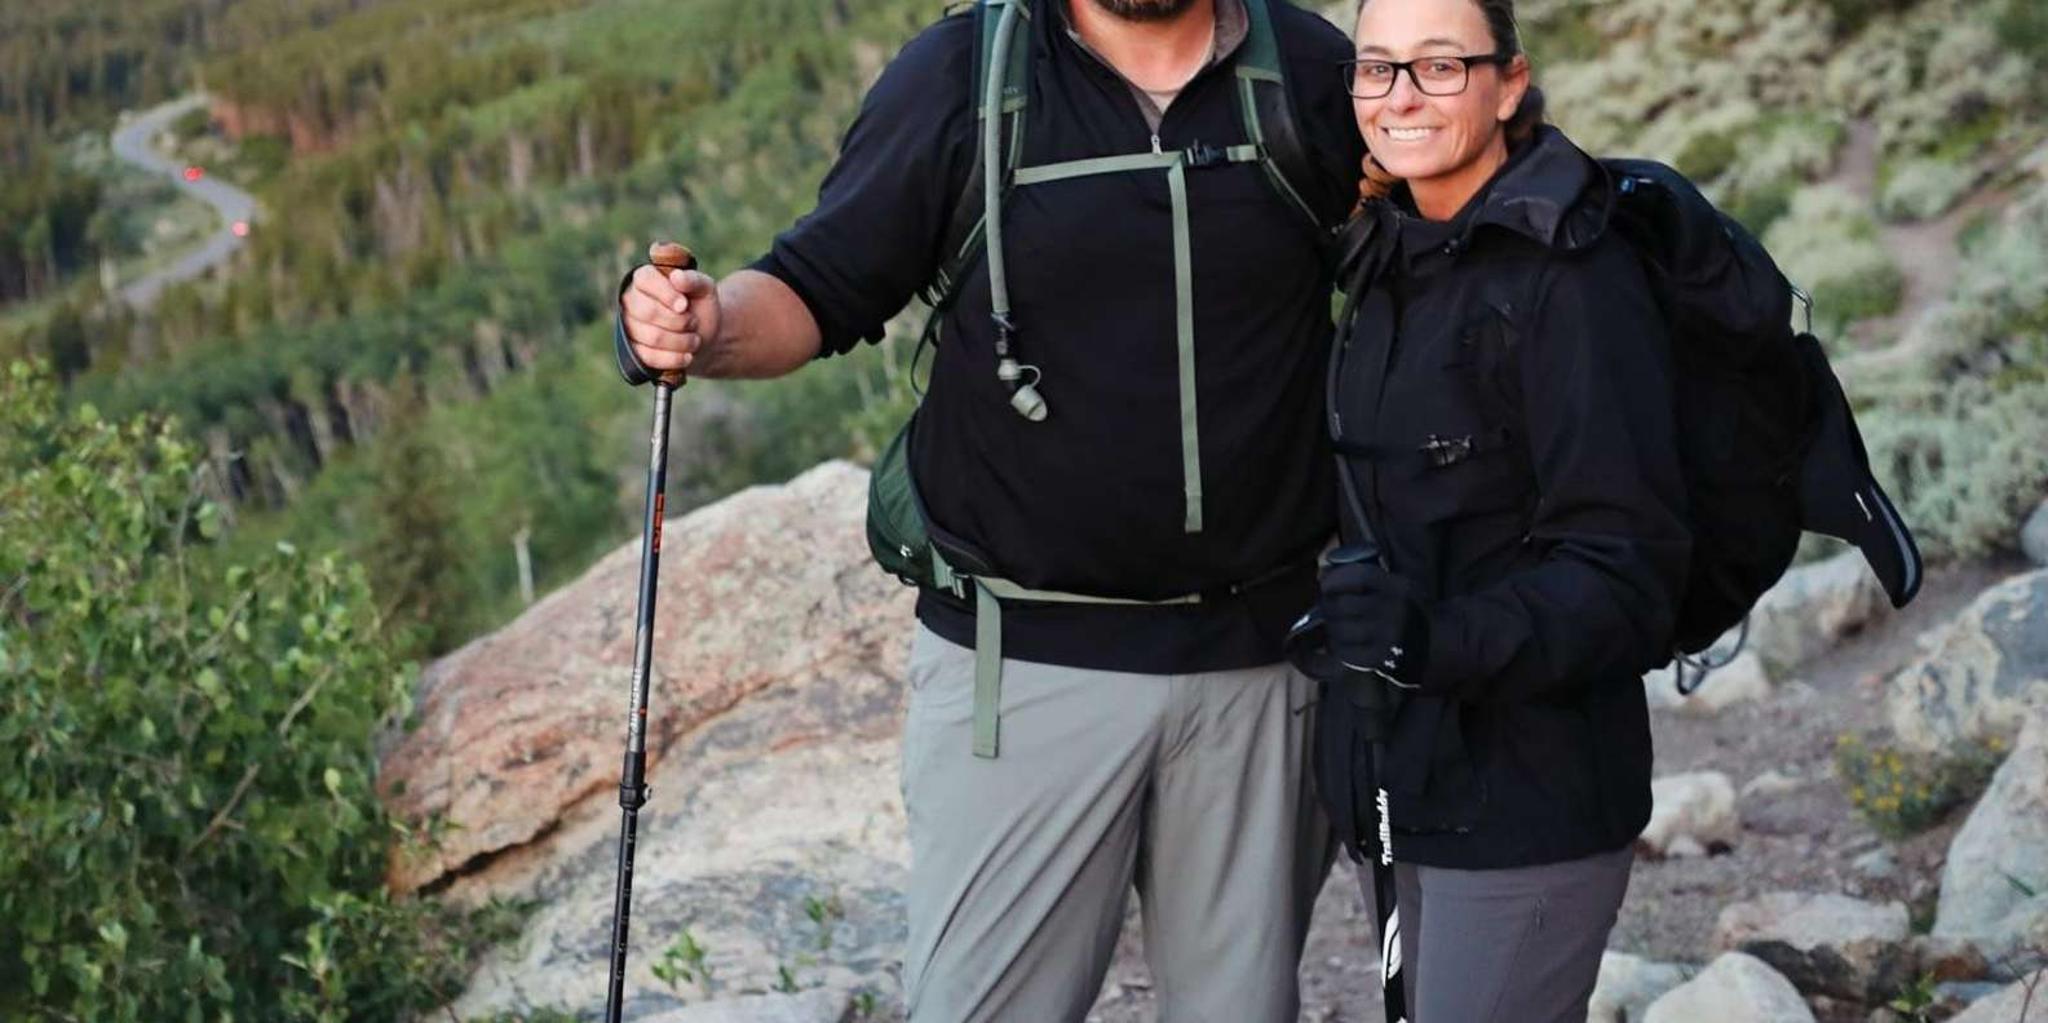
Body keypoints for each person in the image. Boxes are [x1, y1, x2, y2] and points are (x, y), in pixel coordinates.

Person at [616, 1, 1363, 1019]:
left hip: (1262, 666)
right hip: (1017, 676)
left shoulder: (1311, 71)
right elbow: (820, 284)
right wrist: (702, 328)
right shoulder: (963, 77)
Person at [1313, 0, 1694, 1019]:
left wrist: (1427, 639)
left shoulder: (1572, 281)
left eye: (1439, 66)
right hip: (1401, 782)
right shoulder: (1385, 253)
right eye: (1376, 67)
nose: (1399, 96)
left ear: (1508, 82)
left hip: (1530, 802)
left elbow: (1628, 571)